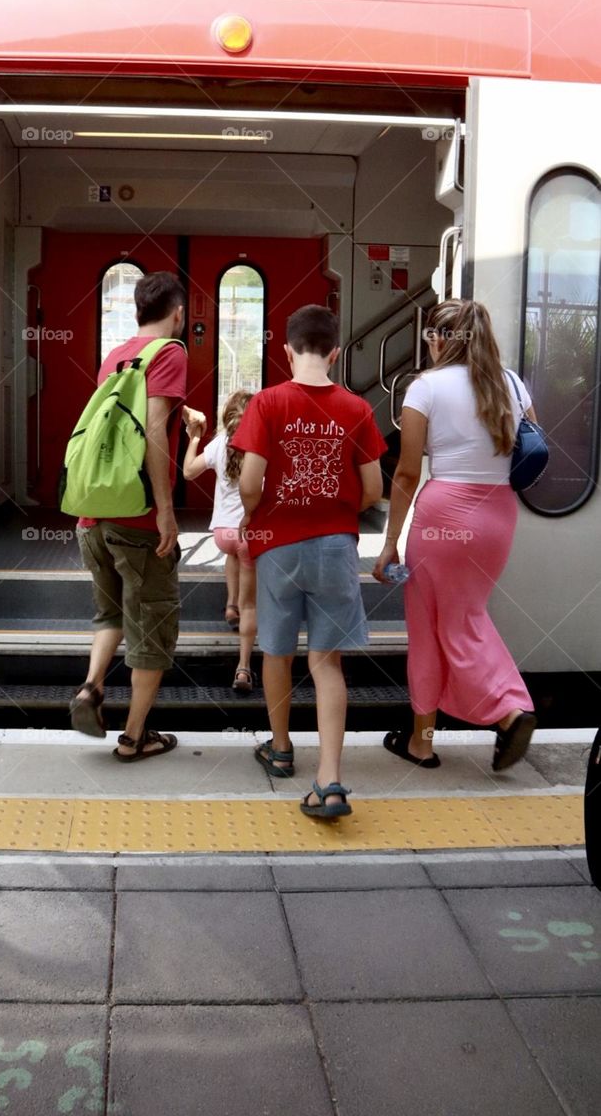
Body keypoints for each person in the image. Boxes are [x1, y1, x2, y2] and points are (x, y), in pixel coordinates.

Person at [232, 305, 386, 818]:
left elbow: (249, 482)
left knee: (276, 653)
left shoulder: (267, 403)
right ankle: (331, 781)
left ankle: (280, 751)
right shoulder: (357, 409)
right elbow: (373, 489)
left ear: (287, 350)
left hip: (277, 543)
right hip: (335, 545)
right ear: (336, 353)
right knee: (327, 662)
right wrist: (334, 510)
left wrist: (260, 514)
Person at [373, 298, 538, 772]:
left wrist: (389, 543)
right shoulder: (512, 384)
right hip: (499, 515)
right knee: (457, 617)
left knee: (441, 625)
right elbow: (531, 446)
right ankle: (420, 741)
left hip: (444, 513)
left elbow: (406, 474)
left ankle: (509, 710)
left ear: (441, 339)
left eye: (431, 337)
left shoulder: (425, 388)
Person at [69, 272, 200, 761]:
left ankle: (90, 688)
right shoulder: (170, 352)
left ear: (136, 313)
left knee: (111, 614)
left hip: (93, 519)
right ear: (178, 313)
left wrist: (181, 414)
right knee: (152, 629)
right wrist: (166, 512)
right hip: (138, 523)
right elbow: (152, 431)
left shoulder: (117, 355)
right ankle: (133, 738)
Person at [183, 389, 257, 692]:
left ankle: (230, 605)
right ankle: (243, 668)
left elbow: (188, 472)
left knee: (232, 556)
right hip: (250, 534)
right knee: (252, 606)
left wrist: (193, 438)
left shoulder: (219, 444)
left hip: (222, 535)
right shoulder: (261, 445)